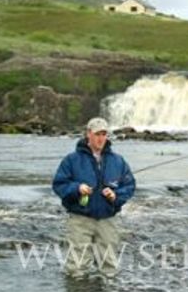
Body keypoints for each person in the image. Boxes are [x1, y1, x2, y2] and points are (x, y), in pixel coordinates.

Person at [52, 118, 136, 275]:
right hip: (80, 219)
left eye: (104, 134)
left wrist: (115, 195)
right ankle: (78, 291)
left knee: (109, 267)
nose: (101, 138)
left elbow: (129, 185)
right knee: (76, 268)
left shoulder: (118, 161)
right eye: (97, 134)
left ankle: (105, 291)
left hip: (107, 219)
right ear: (88, 134)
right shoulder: (71, 160)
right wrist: (77, 188)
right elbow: (59, 184)